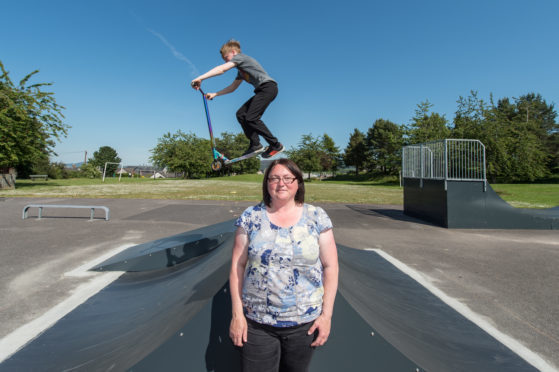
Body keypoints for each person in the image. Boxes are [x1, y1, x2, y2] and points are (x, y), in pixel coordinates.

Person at [229, 158, 338, 372]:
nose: (281, 183)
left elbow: (330, 267)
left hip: (304, 325)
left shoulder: (316, 217)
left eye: (288, 178)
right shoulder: (251, 217)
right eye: (275, 178)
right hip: (257, 323)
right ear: (266, 183)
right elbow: (237, 266)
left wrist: (326, 316)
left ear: (298, 183)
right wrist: (237, 315)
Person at [190, 39, 284, 159]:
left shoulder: (241, 58)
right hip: (263, 90)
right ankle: (255, 144)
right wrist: (215, 94)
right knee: (241, 114)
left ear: (233, 52)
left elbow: (221, 69)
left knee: (251, 117)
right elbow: (233, 87)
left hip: (268, 88)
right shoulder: (241, 71)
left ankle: (275, 145)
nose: (226, 61)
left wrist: (200, 78)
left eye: (226, 58)